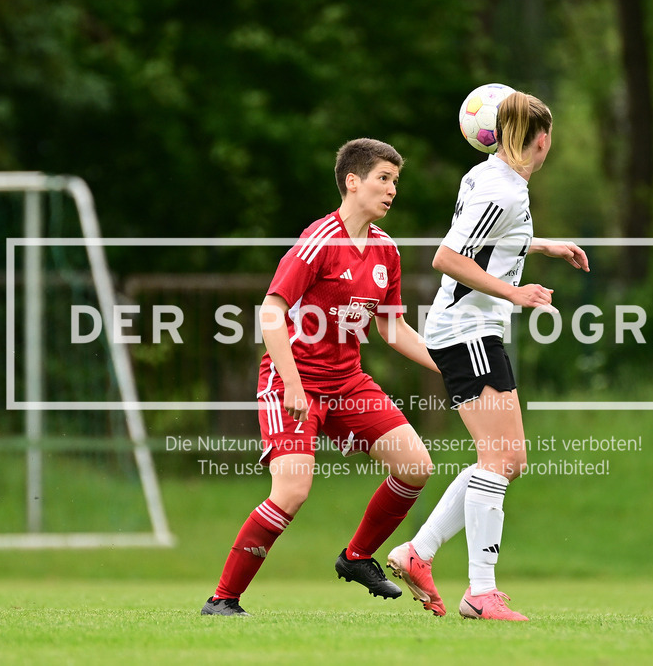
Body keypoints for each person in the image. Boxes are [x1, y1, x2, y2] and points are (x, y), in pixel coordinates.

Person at [202, 138, 439, 616]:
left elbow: (391, 326)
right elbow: (271, 311)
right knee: (292, 490)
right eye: (383, 179)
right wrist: (290, 383)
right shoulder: (319, 241)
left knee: (415, 465)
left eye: (396, 181)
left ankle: (356, 557)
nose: (393, 190)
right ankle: (223, 600)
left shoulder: (385, 251)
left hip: (347, 381)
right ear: (352, 182)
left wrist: (449, 364)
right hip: (293, 380)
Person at [386, 91, 589, 621]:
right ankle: (479, 592)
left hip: (473, 330)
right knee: (502, 458)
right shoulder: (504, 191)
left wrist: (541, 246)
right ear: (540, 140)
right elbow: (447, 257)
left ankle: (418, 552)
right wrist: (514, 291)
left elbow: (485, 239)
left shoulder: (488, 175)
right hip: (468, 330)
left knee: (504, 460)